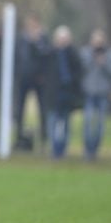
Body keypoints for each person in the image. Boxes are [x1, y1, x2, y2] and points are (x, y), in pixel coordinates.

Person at [43, 26, 82, 159]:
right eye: (60, 39)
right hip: (53, 94)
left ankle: (62, 149)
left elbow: (78, 72)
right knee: (52, 121)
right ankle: (53, 149)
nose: (62, 41)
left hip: (67, 94)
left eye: (65, 39)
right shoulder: (50, 53)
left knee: (65, 122)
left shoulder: (73, 54)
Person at [79, 29, 111, 160]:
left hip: (103, 93)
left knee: (100, 124)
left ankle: (95, 150)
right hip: (89, 92)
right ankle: (87, 148)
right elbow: (81, 70)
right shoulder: (85, 52)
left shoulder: (110, 54)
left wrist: (104, 63)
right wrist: (92, 58)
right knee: (88, 121)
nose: (97, 44)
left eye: (100, 41)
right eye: (95, 41)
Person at [14, 15, 51, 150]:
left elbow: (46, 57)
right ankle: (19, 138)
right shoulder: (21, 40)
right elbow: (17, 58)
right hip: (23, 79)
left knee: (42, 109)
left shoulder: (43, 40)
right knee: (20, 110)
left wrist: (36, 42)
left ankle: (44, 139)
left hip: (39, 80)